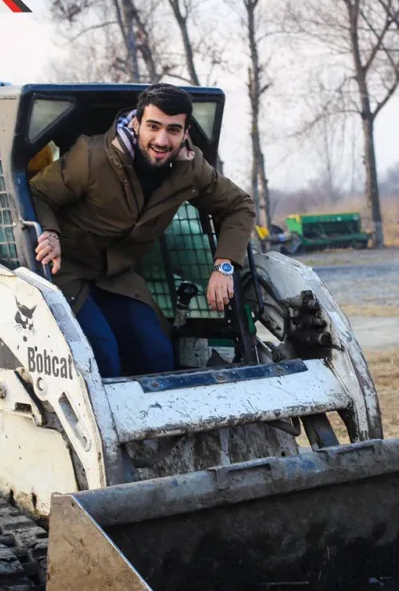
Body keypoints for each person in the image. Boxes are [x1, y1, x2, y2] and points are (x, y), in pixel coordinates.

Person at [28, 83, 256, 378]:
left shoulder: (191, 168)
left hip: (117, 275)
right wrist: (51, 234)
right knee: (101, 353)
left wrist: (224, 266)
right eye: (153, 126)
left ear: (185, 133)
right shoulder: (92, 157)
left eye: (173, 130)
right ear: (136, 124)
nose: (161, 139)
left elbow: (240, 205)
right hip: (66, 270)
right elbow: (38, 194)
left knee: (157, 352)